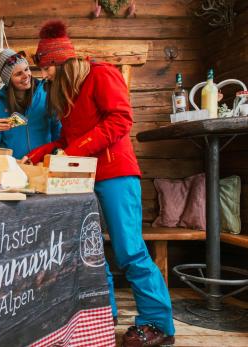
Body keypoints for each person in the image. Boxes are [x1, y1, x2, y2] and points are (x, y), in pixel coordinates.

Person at [22, 21, 175, 347]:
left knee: (130, 251)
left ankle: (158, 325)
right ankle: (104, 314)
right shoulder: (65, 89)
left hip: (116, 174)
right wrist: (37, 154)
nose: (43, 76)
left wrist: (71, 150)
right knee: (91, 253)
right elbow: (67, 139)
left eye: (45, 68)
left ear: (57, 62)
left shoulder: (101, 74)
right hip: (83, 177)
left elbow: (120, 120)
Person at [0, 48, 61, 159]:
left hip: (42, 165)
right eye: (19, 74)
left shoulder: (47, 95)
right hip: (12, 169)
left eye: (26, 69)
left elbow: (58, 136)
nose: (26, 75)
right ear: (8, 80)